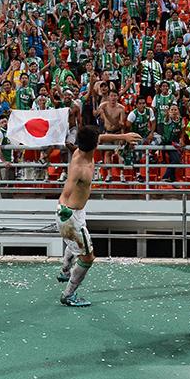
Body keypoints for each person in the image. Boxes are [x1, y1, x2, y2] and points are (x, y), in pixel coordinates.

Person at [55, 126, 141, 306]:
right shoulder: (79, 166)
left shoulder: (84, 149)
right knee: (88, 258)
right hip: (70, 216)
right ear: (95, 145)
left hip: (77, 213)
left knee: (75, 244)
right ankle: (68, 294)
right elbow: (65, 194)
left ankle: (64, 272)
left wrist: (123, 136)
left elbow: (101, 137)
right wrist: (63, 208)